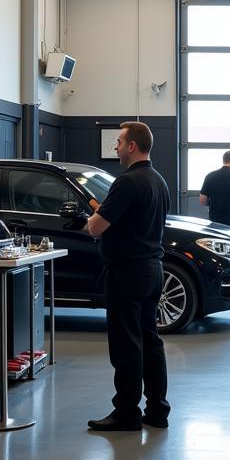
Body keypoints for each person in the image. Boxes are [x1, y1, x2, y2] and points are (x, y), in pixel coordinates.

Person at [85, 121, 171, 431]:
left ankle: (126, 412)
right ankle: (157, 410)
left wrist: (89, 219)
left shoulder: (126, 182)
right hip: (153, 270)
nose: (116, 147)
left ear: (132, 146)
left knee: (126, 344)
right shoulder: (158, 180)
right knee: (150, 339)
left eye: (119, 142)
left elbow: (96, 227)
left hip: (127, 272)